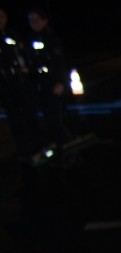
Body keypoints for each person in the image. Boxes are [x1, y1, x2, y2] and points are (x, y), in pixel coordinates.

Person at [25, 4, 73, 149]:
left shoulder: (52, 39)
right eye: (31, 20)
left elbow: (59, 62)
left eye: (37, 19)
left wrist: (60, 83)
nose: (34, 23)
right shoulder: (30, 40)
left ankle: (67, 144)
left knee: (56, 117)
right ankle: (57, 145)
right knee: (47, 117)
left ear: (45, 21)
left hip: (53, 83)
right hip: (40, 85)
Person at [0, 5, 41, 160]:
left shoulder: (13, 35)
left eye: (2, 16)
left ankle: (38, 148)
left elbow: (24, 54)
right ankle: (25, 155)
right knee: (17, 123)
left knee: (31, 118)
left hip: (22, 85)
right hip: (6, 89)